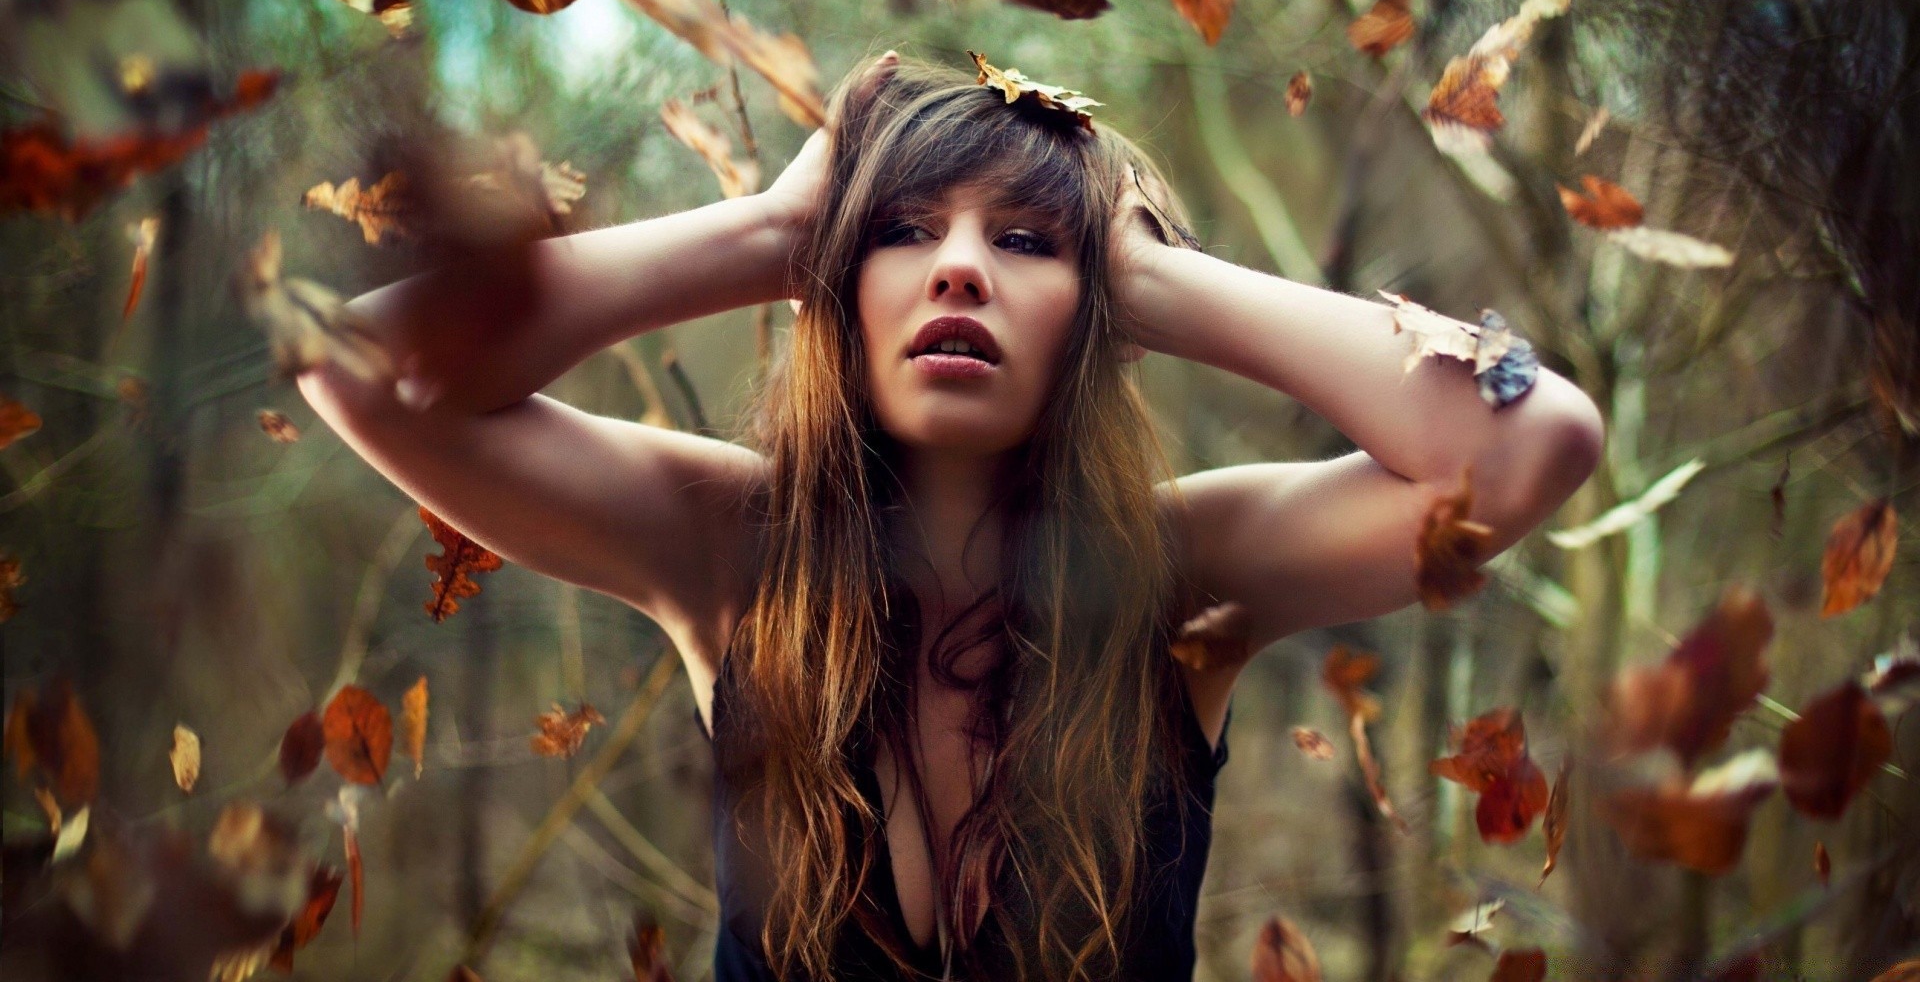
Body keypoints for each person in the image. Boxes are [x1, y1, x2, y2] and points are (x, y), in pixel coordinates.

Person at [296, 50, 1604, 981]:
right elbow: (354, 364)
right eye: (906, 231)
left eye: (1029, 243)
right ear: (834, 277)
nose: (963, 265)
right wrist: (773, 228)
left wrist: (1152, 275)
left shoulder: (1185, 574)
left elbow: (1532, 435)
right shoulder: (733, 552)